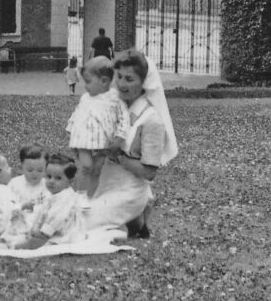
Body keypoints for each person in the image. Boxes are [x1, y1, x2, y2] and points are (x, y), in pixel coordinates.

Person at [76, 49, 178, 239]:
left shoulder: (151, 120)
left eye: (129, 79)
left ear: (143, 82)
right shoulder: (110, 106)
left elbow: (149, 172)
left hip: (129, 190)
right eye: (119, 77)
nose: (121, 84)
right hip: (102, 183)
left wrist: (116, 155)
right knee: (65, 213)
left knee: (80, 225)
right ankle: (135, 223)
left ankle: (128, 220)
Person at [66, 56, 130, 198]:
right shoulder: (86, 98)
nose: (85, 86)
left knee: (97, 170)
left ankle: (92, 196)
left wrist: (119, 138)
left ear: (104, 81)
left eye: (88, 82)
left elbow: (124, 119)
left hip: (103, 142)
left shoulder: (115, 99)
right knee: (86, 167)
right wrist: (70, 130)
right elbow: (77, 114)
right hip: (83, 140)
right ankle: (79, 197)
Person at [14, 154, 79, 250]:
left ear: (70, 181)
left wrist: (43, 233)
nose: (51, 181)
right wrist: (36, 227)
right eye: (49, 176)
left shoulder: (66, 198)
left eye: (58, 178)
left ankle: (31, 244)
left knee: (39, 242)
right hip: (51, 228)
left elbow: (57, 218)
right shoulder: (54, 193)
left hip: (63, 232)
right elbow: (43, 212)